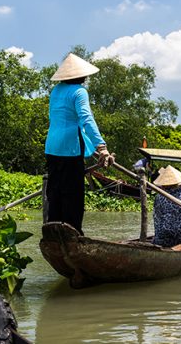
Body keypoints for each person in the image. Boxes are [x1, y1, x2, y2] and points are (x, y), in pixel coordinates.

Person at [44, 53, 113, 235]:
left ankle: (53, 231)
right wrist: (102, 146)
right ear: (79, 76)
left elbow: (68, 121)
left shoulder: (56, 91)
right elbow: (86, 119)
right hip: (70, 148)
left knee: (55, 192)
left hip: (52, 146)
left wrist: (94, 150)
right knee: (72, 194)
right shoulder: (79, 91)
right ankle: (73, 233)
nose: (86, 78)